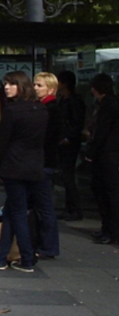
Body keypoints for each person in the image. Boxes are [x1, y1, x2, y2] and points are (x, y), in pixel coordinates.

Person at [0, 71, 48, 273]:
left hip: (13, 165)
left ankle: (26, 258)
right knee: (12, 210)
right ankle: (1, 257)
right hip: (34, 166)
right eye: (6, 83)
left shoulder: (12, 111)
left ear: (20, 86)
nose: (6, 87)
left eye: (11, 84)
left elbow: (3, 141)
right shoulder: (41, 110)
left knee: (17, 212)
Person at [84, 73, 119, 245]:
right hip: (108, 153)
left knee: (106, 193)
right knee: (107, 192)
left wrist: (91, 151)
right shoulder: (109, 104)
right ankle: (109, 229)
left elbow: (102, 131)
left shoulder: (107, 106)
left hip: (106, 153)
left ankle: (110, 230)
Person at [32, 72, 61, 259]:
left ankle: (48, 246)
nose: (35, 88)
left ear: (50, 89)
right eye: (35, 84)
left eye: (39, 85)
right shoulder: (44, 107)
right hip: (42, 162)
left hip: (43, 162)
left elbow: (47, 138)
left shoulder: (50, 109)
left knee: (44, 206)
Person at [56, 70, 86, 221]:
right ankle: (69, 207)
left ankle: (75, 208)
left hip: (70, 142)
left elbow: (77, 122)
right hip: (63, 141)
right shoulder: (63, 99)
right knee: (65, 175)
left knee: (68, 175)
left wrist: (69, 137)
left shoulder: (74, 101)